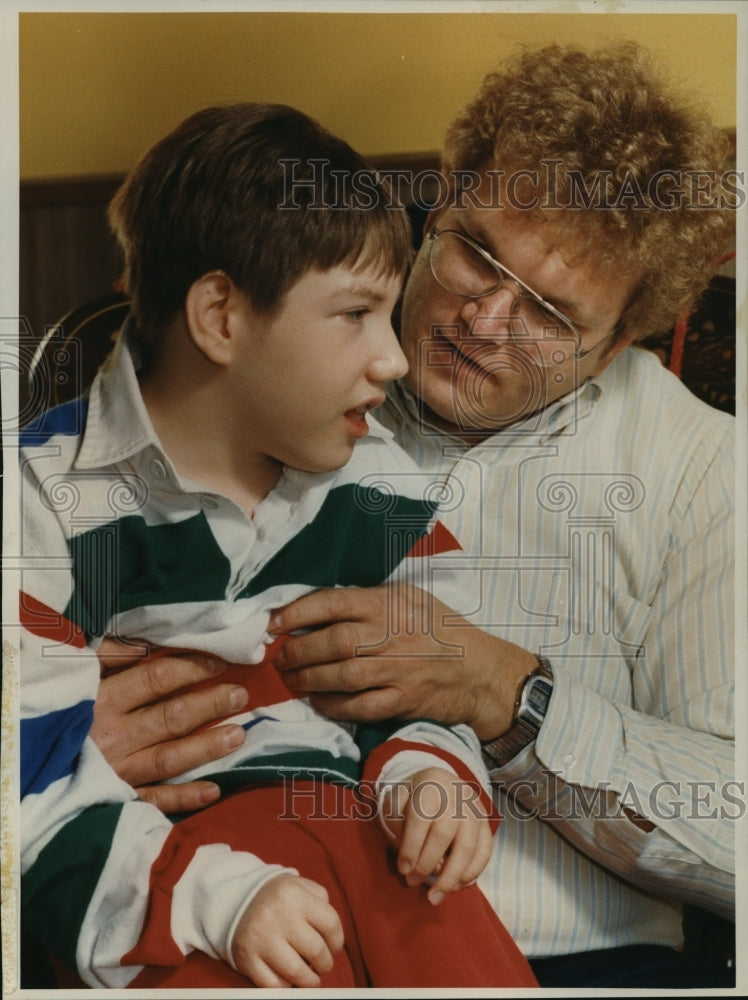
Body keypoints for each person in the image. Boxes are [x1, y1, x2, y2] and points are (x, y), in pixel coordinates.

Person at [88, 43, 737, 988]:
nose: (482, 321)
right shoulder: (263, 356)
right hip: (231, 921)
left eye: (551, 315)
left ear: (615, 349)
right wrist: (62, 733)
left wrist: (514, 702)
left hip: (563, 962)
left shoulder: (702, 470)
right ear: (436, 204)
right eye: (475, 253)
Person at [19, 103, 539, 990]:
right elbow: (23, 798)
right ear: (220, 316)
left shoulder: (382, 488)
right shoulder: (42, 503)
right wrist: (214, 897)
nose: (394, 359)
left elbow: (420, 687)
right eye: (354, 315)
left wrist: (428, 772)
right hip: (166, 882)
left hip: (375, 851)